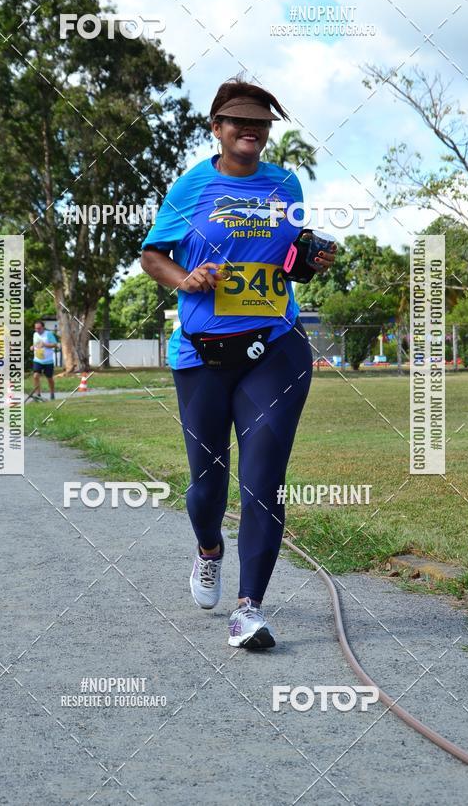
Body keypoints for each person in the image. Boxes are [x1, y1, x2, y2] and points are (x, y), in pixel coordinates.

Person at [141, 78, 336, 649]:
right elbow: (154, 255)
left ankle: (249, 609)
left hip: (275, 347)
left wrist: (311, 258)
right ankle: (209, 550)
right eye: (238, 122)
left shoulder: (285, 182)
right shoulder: (190, 186)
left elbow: (288, 254)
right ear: (217, 129)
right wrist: (187, 277)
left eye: (260, 123)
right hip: (202, 355)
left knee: (264, 479)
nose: (250, 130)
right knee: (207, 486)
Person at [30, 320, 59, 401]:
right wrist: (32, 347)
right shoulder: (35, 334)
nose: (37, 330)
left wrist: (45, 344)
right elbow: (36, 344)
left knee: (49, 378)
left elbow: (55, 345)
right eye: (36, 328)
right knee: (35, 376)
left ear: (43, 327)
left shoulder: (48, 334)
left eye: (39, 328)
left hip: (48, 361)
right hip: (38, 360)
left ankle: (52, 393)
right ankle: (38, 394)